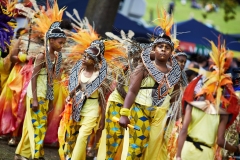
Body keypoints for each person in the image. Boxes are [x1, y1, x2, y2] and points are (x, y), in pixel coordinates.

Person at [176, 39, 240, 160]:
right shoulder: (223, 114)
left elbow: (183, 129)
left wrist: (178, 155)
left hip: (187, 150)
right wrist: (236, 149)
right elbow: (221, 141)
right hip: (206, 154)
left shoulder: (192, 105)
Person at [14, 21, 66, 160]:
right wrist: (35, 99)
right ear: (52, 40)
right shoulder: (42, 56)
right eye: (60, 43)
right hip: (36, 94)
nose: (62, 46)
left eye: (63, 43)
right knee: (39, 125)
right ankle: (37, 155)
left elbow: (53, 79)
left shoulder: (55, 57)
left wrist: (50, 100)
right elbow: (34, 78)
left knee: (31, 124)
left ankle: (20, 154)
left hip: (45, 94)